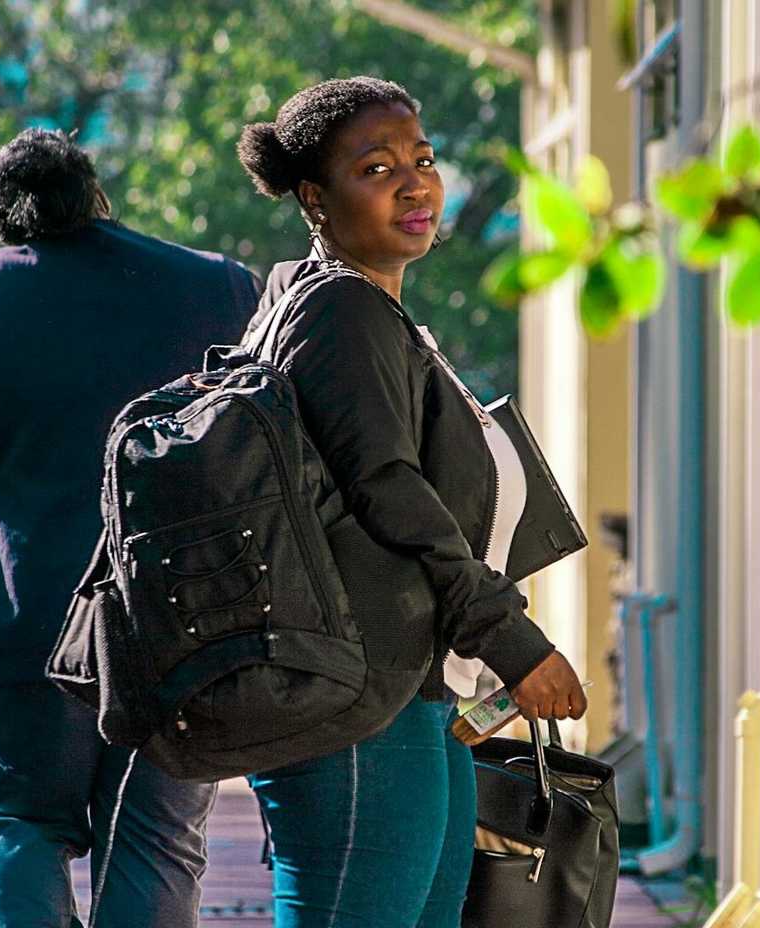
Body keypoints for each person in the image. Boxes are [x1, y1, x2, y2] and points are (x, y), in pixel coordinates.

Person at [236, 76, 588, 928]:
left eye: (422, 160)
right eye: (378, 167)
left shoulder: (375, 316)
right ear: (315, 197)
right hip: (356, 697)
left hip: (414, 690)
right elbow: (390, 491)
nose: (414, 183)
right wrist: (512, 641)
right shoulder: (340, 314)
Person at [0, 128, 260, 928]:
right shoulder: (224, 286)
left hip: (33, 614)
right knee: (158, 839)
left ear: (10, 223)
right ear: (96, 193)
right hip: (185, 622)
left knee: (20, 823)